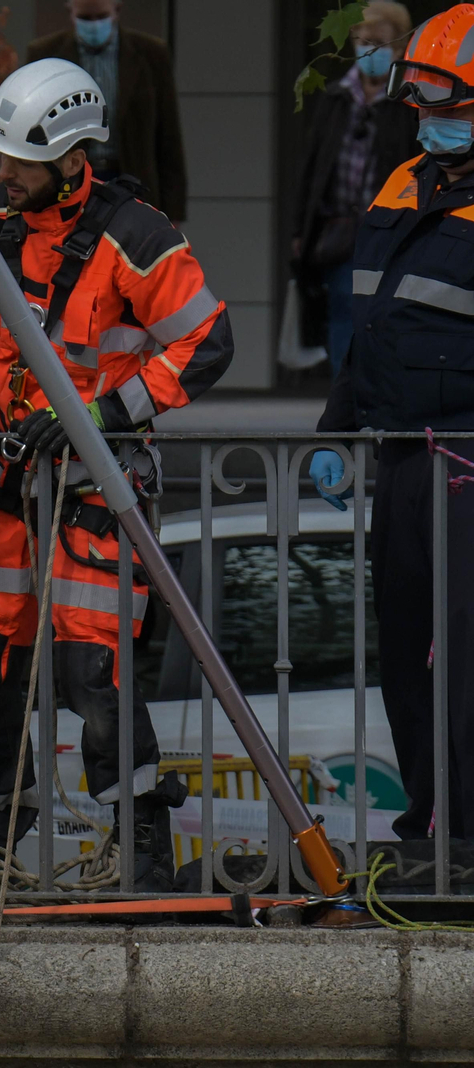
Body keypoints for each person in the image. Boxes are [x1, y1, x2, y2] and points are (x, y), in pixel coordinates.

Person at [0, 59, 233, 888]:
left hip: (95, 490)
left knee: (95, 675)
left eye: (19, 161)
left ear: (70, 155)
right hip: (4, 486)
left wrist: (101, 417)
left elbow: (208, 345)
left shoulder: (138, 235)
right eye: (1, 158)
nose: (3, 174)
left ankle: (142, 852)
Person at [309, 5, 474, 843]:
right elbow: (367, 331)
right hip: (403, 463)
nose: (431, 123)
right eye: (424, 109)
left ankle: (469, 838)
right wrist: (335, 434)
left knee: (466, 662)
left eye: (450, 110)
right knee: (409, 659)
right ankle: (429, 832)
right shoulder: (402, 182)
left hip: (468, 463)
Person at [293, 1, 419, 375]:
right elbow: (313, 168)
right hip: (339, 228)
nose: (371, 50)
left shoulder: (409, 100)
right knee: (343, 309)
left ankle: (379, 396)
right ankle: (344, 397)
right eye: (364, 41)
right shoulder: (336, 98)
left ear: (399, 47)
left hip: (391, 228)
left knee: (385, 312)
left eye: (381, 42)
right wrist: (301, 229)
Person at [27, 0, 187, 222]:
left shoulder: (152, 54)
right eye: (85, 18)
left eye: (100, 16)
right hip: (69, 184)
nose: (93, 25)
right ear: (70, 12)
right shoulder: (45, 54)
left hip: (133, 180)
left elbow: (169, 139)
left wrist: (173, 213)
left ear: (117, 10)